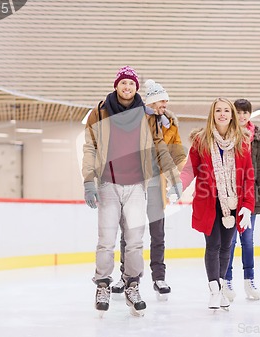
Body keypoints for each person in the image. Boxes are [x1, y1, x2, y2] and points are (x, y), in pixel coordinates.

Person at [82, 66, 182, 316]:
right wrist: (88, 181)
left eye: (132, 84)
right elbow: (90, 147)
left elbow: (160, 146)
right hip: (108, 183)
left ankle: (132, 285)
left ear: (137, 88)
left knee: (135, 242)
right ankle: (102, 285)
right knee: (106, 240)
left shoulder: (147, 115)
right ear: (116, 85)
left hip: (137, 184)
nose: (127, 88)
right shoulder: (100, 111)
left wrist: (173, 175)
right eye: (123, 83)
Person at [111, 79, 187, 300]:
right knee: (129, 233)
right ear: (152, 102)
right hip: (134, 183)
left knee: (158, 233)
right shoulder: (136, 119)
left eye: (166, 101)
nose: (165, 104)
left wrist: (176, 179)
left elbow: (178, 154)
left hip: (156, 185)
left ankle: (159, 277)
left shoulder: (170, 124)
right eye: (161, 101)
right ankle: (125, 276)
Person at [180, 97, 255, 310]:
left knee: (226, 247)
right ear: (212, 114)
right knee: (213, 246)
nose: (222, 114)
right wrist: (178, 186)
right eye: (218, 110)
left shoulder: (242, 141)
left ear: (232, 115)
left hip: (233, 203)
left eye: (226, 111)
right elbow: (190, 169)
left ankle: (221, 287)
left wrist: (248, 206)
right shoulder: (201, 140)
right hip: (208, 202)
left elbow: (249, 176)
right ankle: (214, 290)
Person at [222, 99, 260, 301]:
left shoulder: (257, 140)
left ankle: (249, 281)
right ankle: (226, 280)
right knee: (230, 241)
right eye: (238, 112)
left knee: (247, 241)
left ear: (250, 115)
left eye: (245, 113)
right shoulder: (225, 135)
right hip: (231, 196)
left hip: (252, 197)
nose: (242, 116)